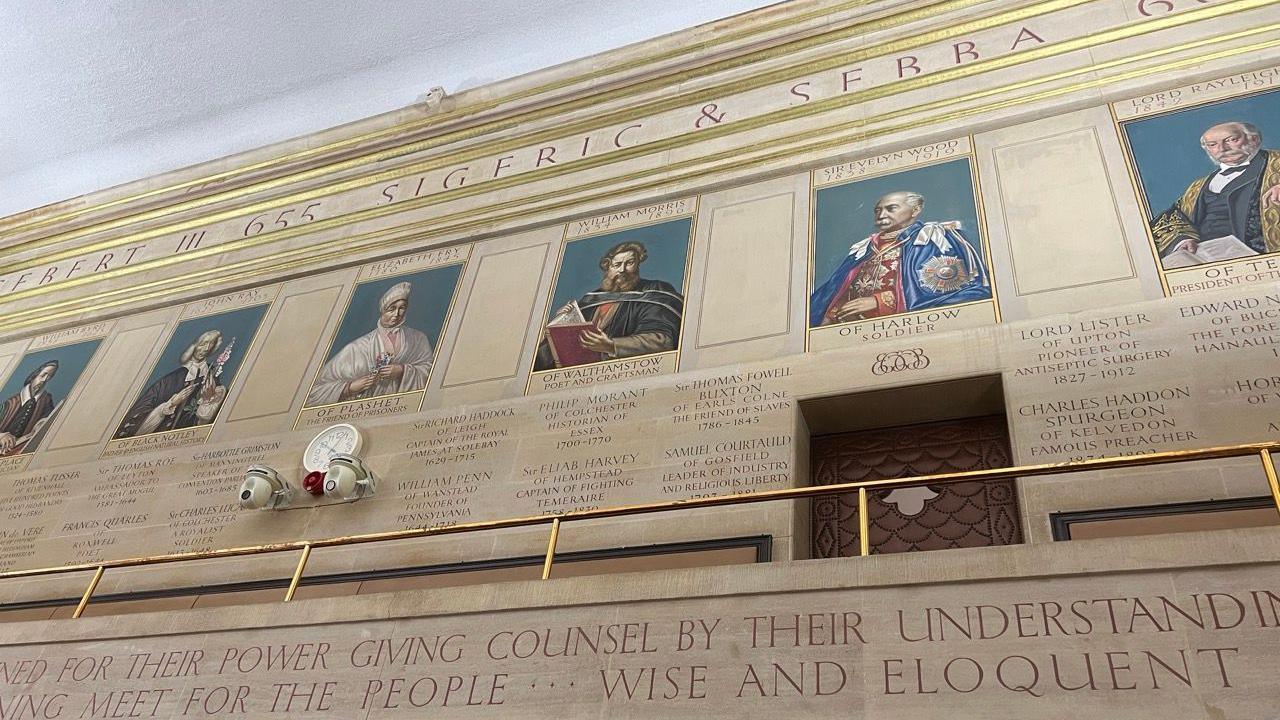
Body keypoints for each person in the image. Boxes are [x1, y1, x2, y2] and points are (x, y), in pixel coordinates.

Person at [810, 191, 991, 327]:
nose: (881, 215)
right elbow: (834, 292)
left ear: (915, 210)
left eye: (891, 209)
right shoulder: (863, 248)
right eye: (878, 210)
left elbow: (950, 292)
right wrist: (832, 313)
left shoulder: (934, 238)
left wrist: (880, 301)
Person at [534, 241, 684, 370]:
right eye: (617, 265)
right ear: (608, 268)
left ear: (638, 264)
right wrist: (560, 323)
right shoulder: (590, 300)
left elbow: (662, 340)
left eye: (629, 263)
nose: (622, 270)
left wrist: (612, 345)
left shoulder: (655, 291)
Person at [1153, 121, 1280, 260]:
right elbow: (1172, 216)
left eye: (1231, 140)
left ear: (1254, 139)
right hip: (1200, 253)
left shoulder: (1276, 165)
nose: (1222, 148)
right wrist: (1183, 240)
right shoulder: (1197, 186)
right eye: (1212, 144)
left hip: (1258, 254)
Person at [307, 281, 436, 406]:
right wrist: (350, 388)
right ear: (383, 310)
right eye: (391, 309)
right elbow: (315, 390)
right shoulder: (357, 347)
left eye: (402, 308)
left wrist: (402, 370)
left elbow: (430, 371)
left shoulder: (418, 338)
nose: (397, 314)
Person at [115, 330, 227, 438]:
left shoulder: (213, 379)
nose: (206, 349)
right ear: (194, 346)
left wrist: (207, 402)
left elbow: (208, 426)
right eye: (203, 344)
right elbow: (133, 421)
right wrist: (171, 404)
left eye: (211, 345)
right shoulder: (168, 381)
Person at [0, 360, 58, 456]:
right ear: (34, 375)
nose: (44, 380)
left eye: (49, 377)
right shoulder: (10, 403)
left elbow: (47, 419)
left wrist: (40, 425)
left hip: (21, 448)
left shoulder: (46, 400)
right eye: (43, 375)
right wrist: (1, 436)